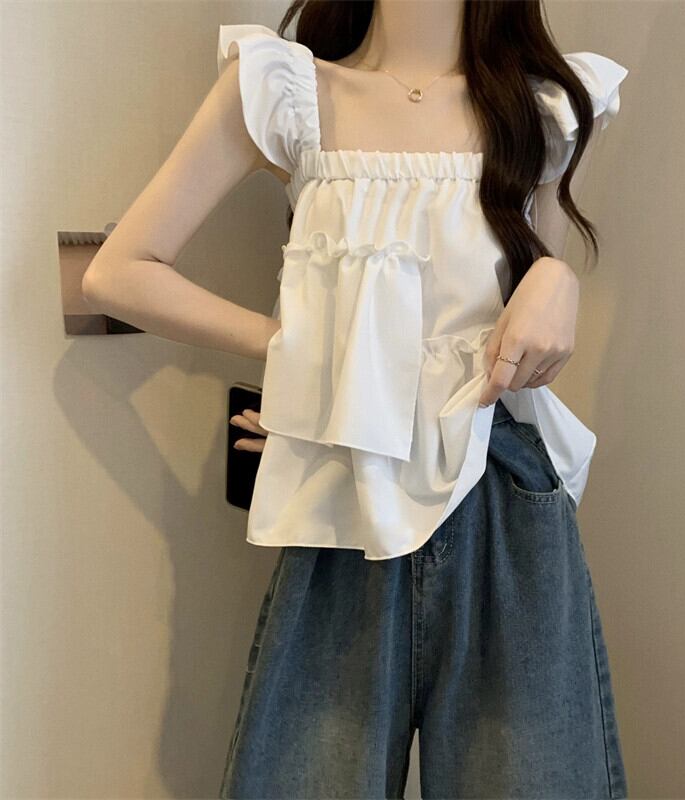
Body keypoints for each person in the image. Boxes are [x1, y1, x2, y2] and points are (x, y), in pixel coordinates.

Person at [82, 1, 630, 797]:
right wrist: (305, 358)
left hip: (502, 497)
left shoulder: (538, 108)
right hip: (341, 506)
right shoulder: (287, 91)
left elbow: (529, 328)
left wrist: (559, 276)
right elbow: (119, 272)